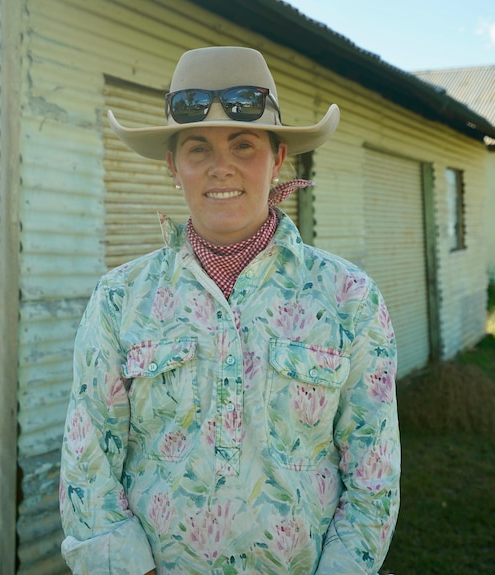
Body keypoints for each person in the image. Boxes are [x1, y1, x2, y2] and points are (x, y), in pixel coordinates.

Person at [59, 46, 400, 575]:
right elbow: (88, 458)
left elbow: (373, 472)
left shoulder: (348, 297)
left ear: (278, 158)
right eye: (198, 148)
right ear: (173, 165)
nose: (223, 167)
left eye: (244, 144)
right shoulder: (120, 299)